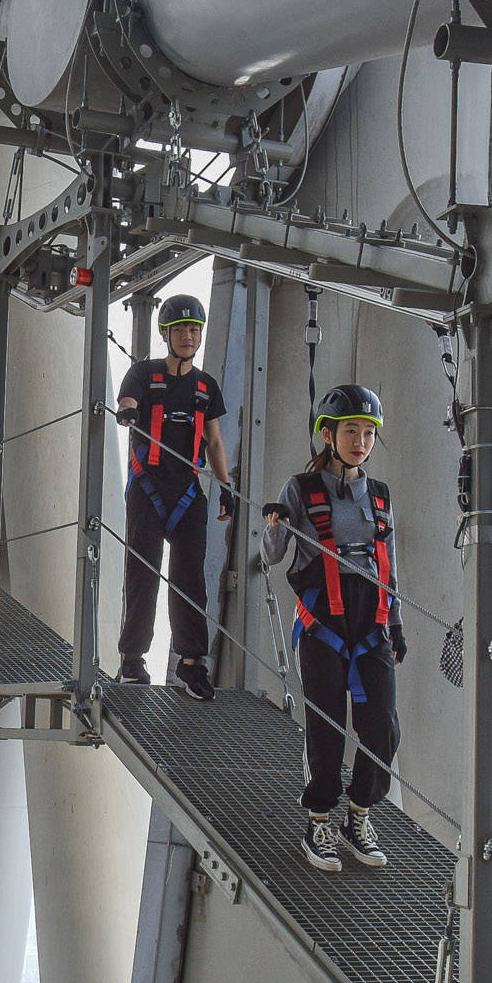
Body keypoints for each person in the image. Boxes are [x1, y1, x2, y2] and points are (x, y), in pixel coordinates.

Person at [262, 384, 401, 873]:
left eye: (368, 433)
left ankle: (358, 813)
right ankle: (318, 818)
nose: (360, 440)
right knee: (326, 729)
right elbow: (272, 557)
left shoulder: (379, 495)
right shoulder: (300, 490)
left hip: (372, 621)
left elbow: (389, 562)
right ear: (328, 434)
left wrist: (396, 624)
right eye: (350, 431)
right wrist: (276, 525)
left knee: (382, 728)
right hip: (323, 619)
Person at [114, 293, 235, 700]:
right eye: (181, 329)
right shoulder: (143, 373)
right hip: (148, 489)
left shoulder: (206, 387)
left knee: (189, 579)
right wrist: (128, 413)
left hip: (187, 492)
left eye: (194, 329)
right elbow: (128, 400)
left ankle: (189, 664)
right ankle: (132, 660)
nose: (188, 335)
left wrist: (226, 488)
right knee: (142, 573)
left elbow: (214, 442)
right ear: (166, 333)